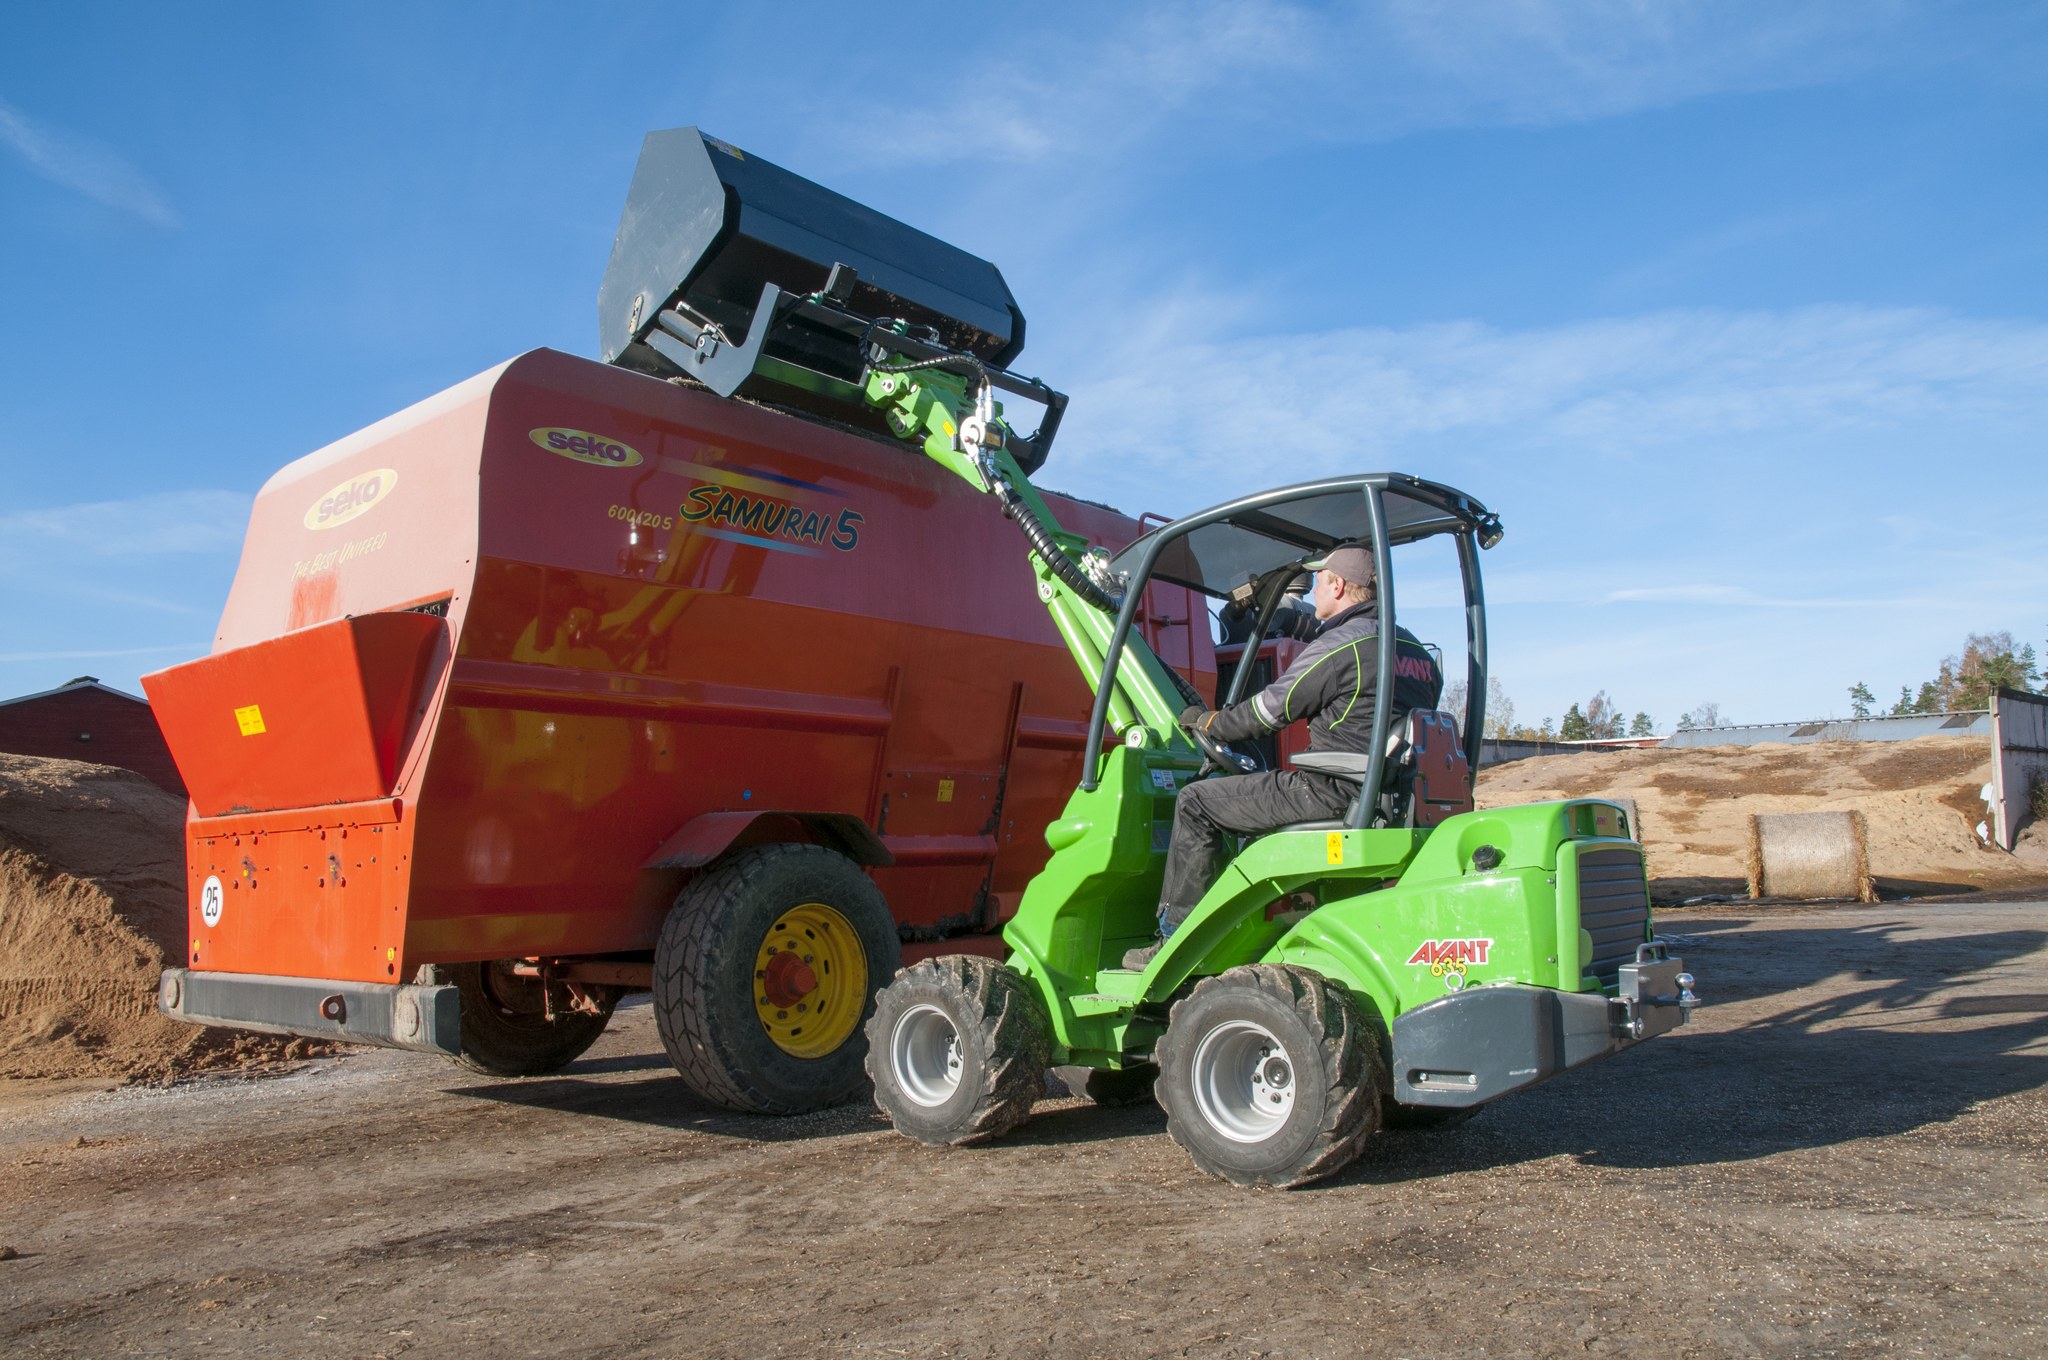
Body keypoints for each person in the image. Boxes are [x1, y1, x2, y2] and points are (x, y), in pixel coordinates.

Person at [1123, 544, 1444, 969]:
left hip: (1329, 790)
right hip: (1389, 796)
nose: (1314, 592)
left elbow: (1266, 712)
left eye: (1320, 582)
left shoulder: (1341, 649)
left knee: (1197, 802)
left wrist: (1207, 722)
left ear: (1338, 584)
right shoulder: (1414, 651)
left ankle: (1172, 940)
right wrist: (1284, 617)